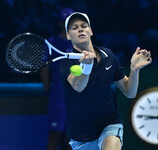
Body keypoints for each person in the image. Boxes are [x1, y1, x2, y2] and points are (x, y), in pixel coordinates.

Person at [59, 12, 152, 150]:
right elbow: (78, 86)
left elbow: (129, 91)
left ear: (90, 31)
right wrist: (87, 67)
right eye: (74, 27)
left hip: (109, 124)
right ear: (68, 35)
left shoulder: (109, 56)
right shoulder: (66, 63)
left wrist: (134, 70)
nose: (80, 29)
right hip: (81, 135)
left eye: (84, 26)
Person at [40, 8, 74, 150]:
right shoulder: (51, 42)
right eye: (66, 22)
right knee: (55, 136)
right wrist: (50, 91)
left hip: (76, 97)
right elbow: (44, 70)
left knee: (72, 138)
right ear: (60, 24)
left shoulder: (81, 43)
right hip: (58, 96)